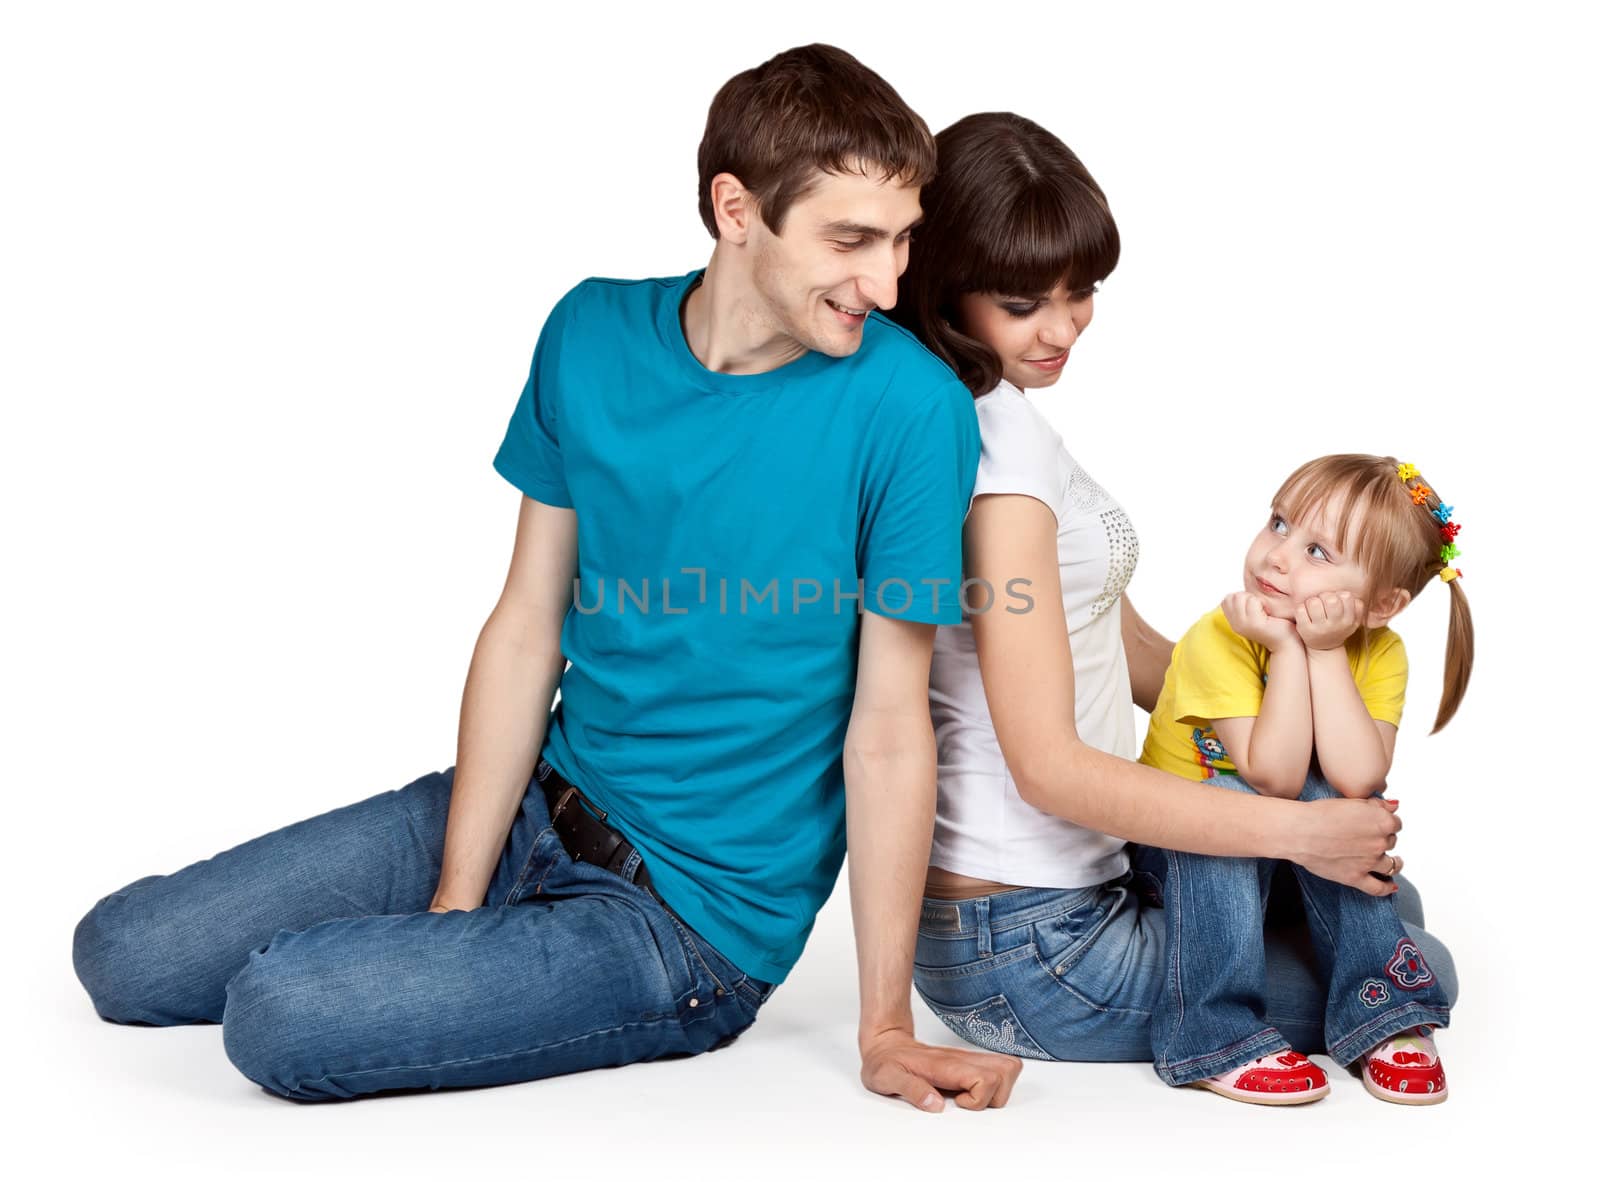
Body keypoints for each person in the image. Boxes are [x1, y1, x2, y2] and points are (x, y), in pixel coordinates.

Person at [71, 44, 1023, 1111]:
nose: (886, 282)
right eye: (850, 240)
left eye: (901, 241)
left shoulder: (906, 407)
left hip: (679, 923)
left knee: (279, 1013)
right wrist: (457, 896)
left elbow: (891, 728)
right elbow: (527, 625)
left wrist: (884, 1028)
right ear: (736, 209)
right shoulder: (588, 331)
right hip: (534, 797)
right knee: (123, 954)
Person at [885, 112, 1457, 1074]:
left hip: (1046, 907)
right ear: (947, 289)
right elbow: (1050, 770)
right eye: (1026, 303)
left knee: (1383, 910)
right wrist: (1300, 831)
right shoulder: (997, 463)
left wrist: (1263, 654)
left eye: (1084, 291)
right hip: (1032, 949)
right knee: (1417, 961)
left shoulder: (994, 413)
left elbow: (1103, 632)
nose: (1064, 327)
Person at [1140, 454, 1469, 1105]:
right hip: (1179, 856)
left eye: (1316, 549)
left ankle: (1384, 1014)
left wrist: (1324, 653)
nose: (1277, 555)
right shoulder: (1222, 637)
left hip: (1287, 861)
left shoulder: (1381, 652)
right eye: (1278, 523)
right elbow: (1274, 778)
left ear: (1382, 604)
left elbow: (1358, 774)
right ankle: (1213, 1034)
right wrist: (1290, 649)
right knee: (1230, 794)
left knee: (1346, 795)